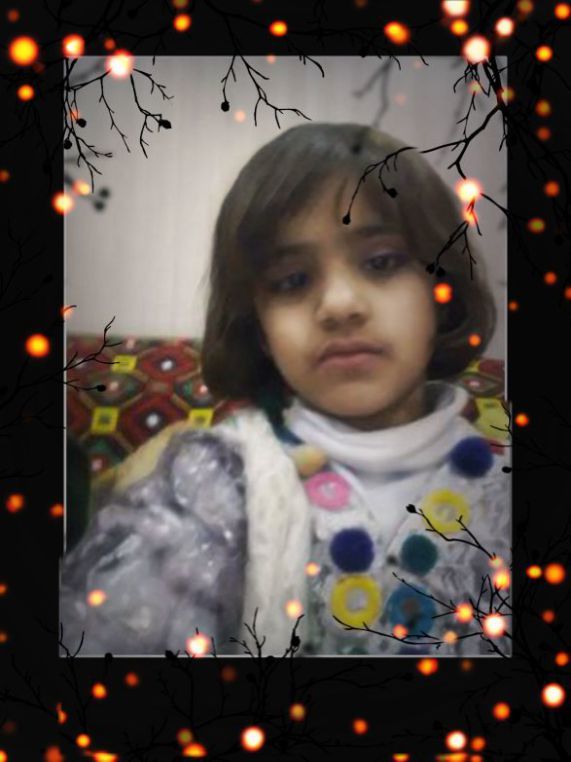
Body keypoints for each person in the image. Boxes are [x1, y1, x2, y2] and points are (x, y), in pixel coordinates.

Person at [60, 123, 510, 657]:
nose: (339, 305)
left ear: (442, 289)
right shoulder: (213, 480)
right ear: (260, 329)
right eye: (292, 281)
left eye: (382, 262)